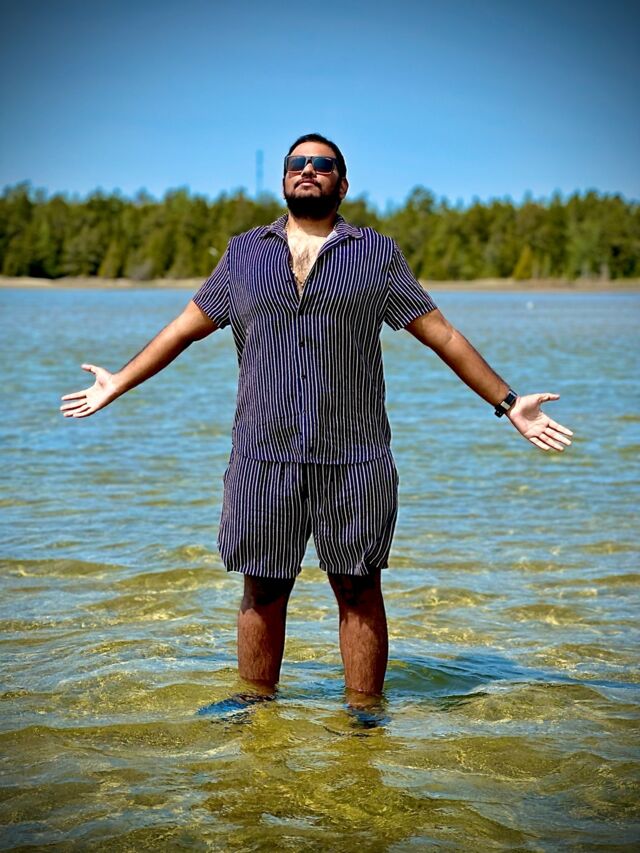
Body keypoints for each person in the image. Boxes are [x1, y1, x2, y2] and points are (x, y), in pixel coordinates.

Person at [60, 132, 573, 715]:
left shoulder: (375, 254)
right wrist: (118, 382)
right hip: (262, 457)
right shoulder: (244, 254)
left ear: (342, 184)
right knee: (262, 587)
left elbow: (443, 336)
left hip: (356, 457)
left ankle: (364, 720)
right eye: (297, 163)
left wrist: (509, 403)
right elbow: (182, 330)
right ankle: (256, 714)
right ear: (284, 180)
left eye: (322, 164)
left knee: (358, 589)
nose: (308, 170)